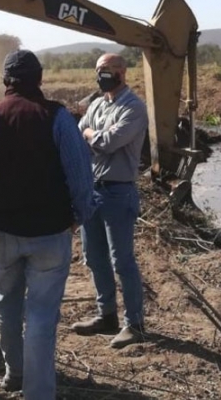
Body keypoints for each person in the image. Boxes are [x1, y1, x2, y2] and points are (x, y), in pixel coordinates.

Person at [0, 50, 94, 399]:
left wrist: (1, 207)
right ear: (40, 79)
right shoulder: (57, 117)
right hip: (51, 233)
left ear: (6, 80)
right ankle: (38, 393)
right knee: (41, 312)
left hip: (5, 231)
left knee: (6, 301)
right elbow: (81, 177)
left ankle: (14, 374)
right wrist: (79, 217)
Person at [72, 53, 148, 349]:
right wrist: (92, 135)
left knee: (122, 261)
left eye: (107, 69)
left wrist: (90, 132)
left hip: (118, 192)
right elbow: (81, 139)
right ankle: (107, 315)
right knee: (94, 257)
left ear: (122, 72)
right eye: (98, 70)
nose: (102, 74)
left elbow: (106, 143)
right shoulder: (97, 104)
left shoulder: (134, 108)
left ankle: (135, 324)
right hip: (92, 190)